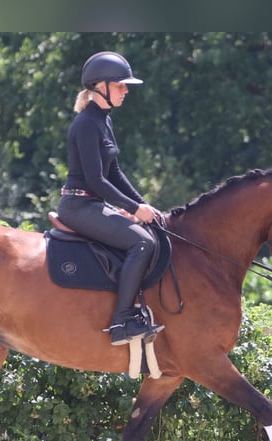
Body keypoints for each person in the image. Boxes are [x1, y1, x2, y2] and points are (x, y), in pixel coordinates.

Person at [57, 51, 164, 346]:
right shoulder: (86, 124)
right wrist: (132, 208)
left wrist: (144, 207)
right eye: (120, 85)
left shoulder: (104, 121)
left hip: (92, 203)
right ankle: (121, 322)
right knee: (142, 242)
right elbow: (96, 180)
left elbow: (114, 172)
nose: (126, 90)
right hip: (78, 206)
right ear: (100, 86)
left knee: (150, 230)